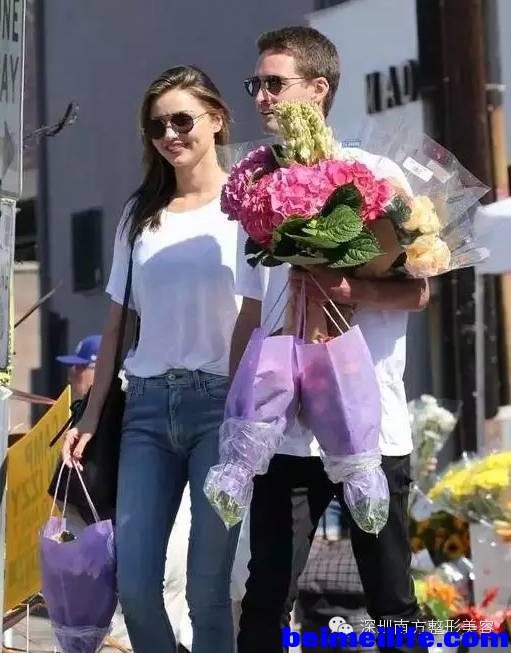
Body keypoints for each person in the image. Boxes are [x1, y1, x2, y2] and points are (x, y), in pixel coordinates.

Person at [230, 27, 430, 653]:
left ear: (318, 90)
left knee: (393, 598)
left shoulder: (375, 175)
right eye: (256, 84)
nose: (261, 96)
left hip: (370, 423)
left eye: (274, 83)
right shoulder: (257, 185)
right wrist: (236, 417)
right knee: (266, 598)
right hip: (285, 428)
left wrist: (349, 288)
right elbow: (251, 312)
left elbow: (419, 291)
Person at [62, 65, 240, 653]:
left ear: (216, 119)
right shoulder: (141, 213)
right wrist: (90, 417)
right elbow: (118, 322)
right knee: (134, 586)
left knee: (207, 591)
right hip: (144, 407)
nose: (170, 135)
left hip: (220, 406)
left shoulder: (246, 207)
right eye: (157, 126)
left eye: (182, 120)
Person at [57, 335, 194, 653]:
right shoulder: (144, 414)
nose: (72, 375)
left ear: (99, 369)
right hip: (161, 540)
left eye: (79, 368)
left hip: (126, 554)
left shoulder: (107, 423)